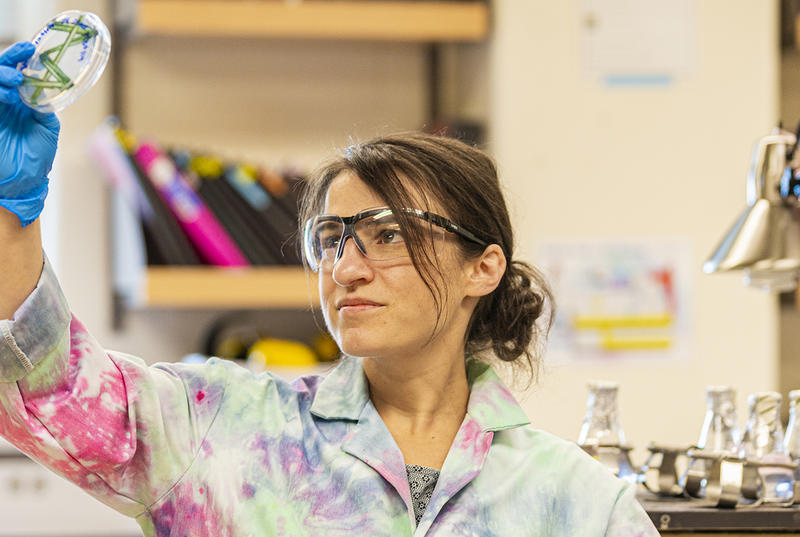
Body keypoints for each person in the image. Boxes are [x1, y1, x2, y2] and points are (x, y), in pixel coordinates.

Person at [0, 41, 659, 536]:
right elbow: (49, 385)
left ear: (481, 268)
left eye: (389, 234)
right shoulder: (219, 425)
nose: (345, 267)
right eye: (331, 238)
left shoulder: (578, 502)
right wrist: (10, 211)